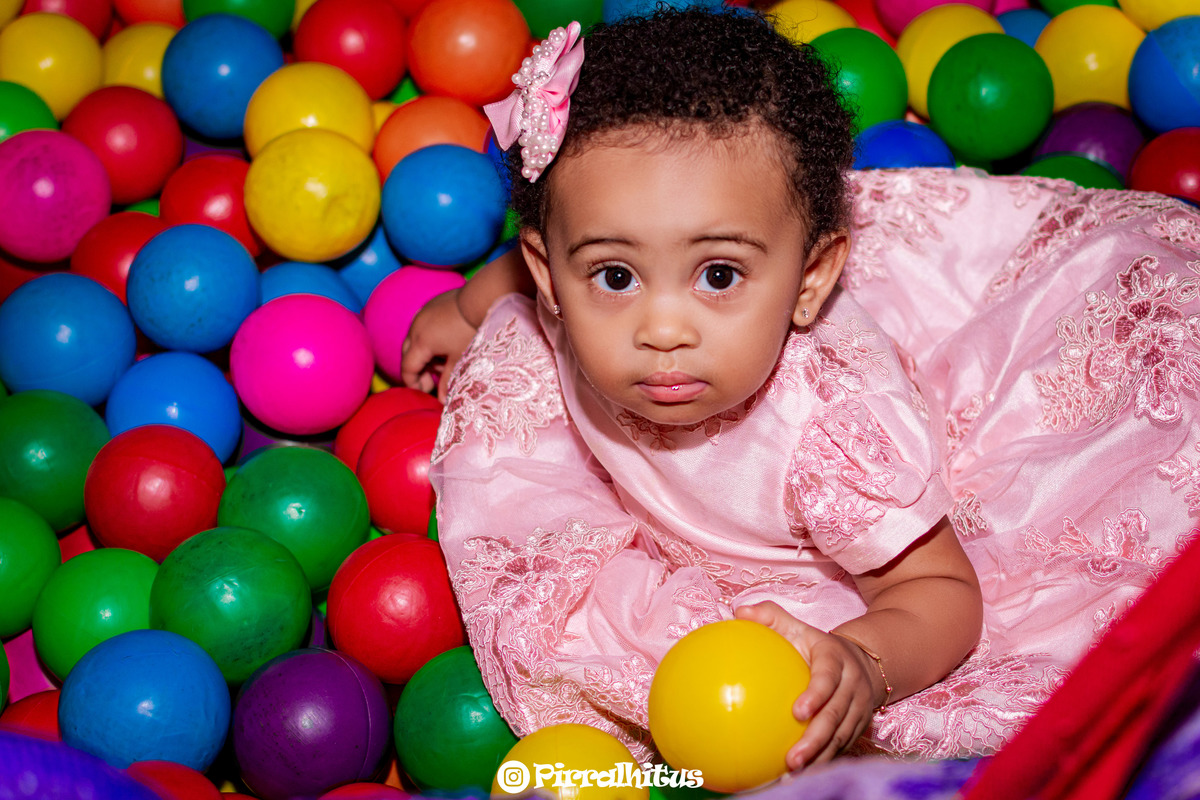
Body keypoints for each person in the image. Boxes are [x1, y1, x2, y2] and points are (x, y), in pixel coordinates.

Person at [403, 7, 1200, 772]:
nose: (663, 328)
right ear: (552, 274)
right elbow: (527, 261)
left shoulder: (832, 434)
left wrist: (865, 657)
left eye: (718, 275)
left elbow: (944, 593)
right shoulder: (562, 294)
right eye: (616, 275)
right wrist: (462, 306)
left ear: (811, 278)